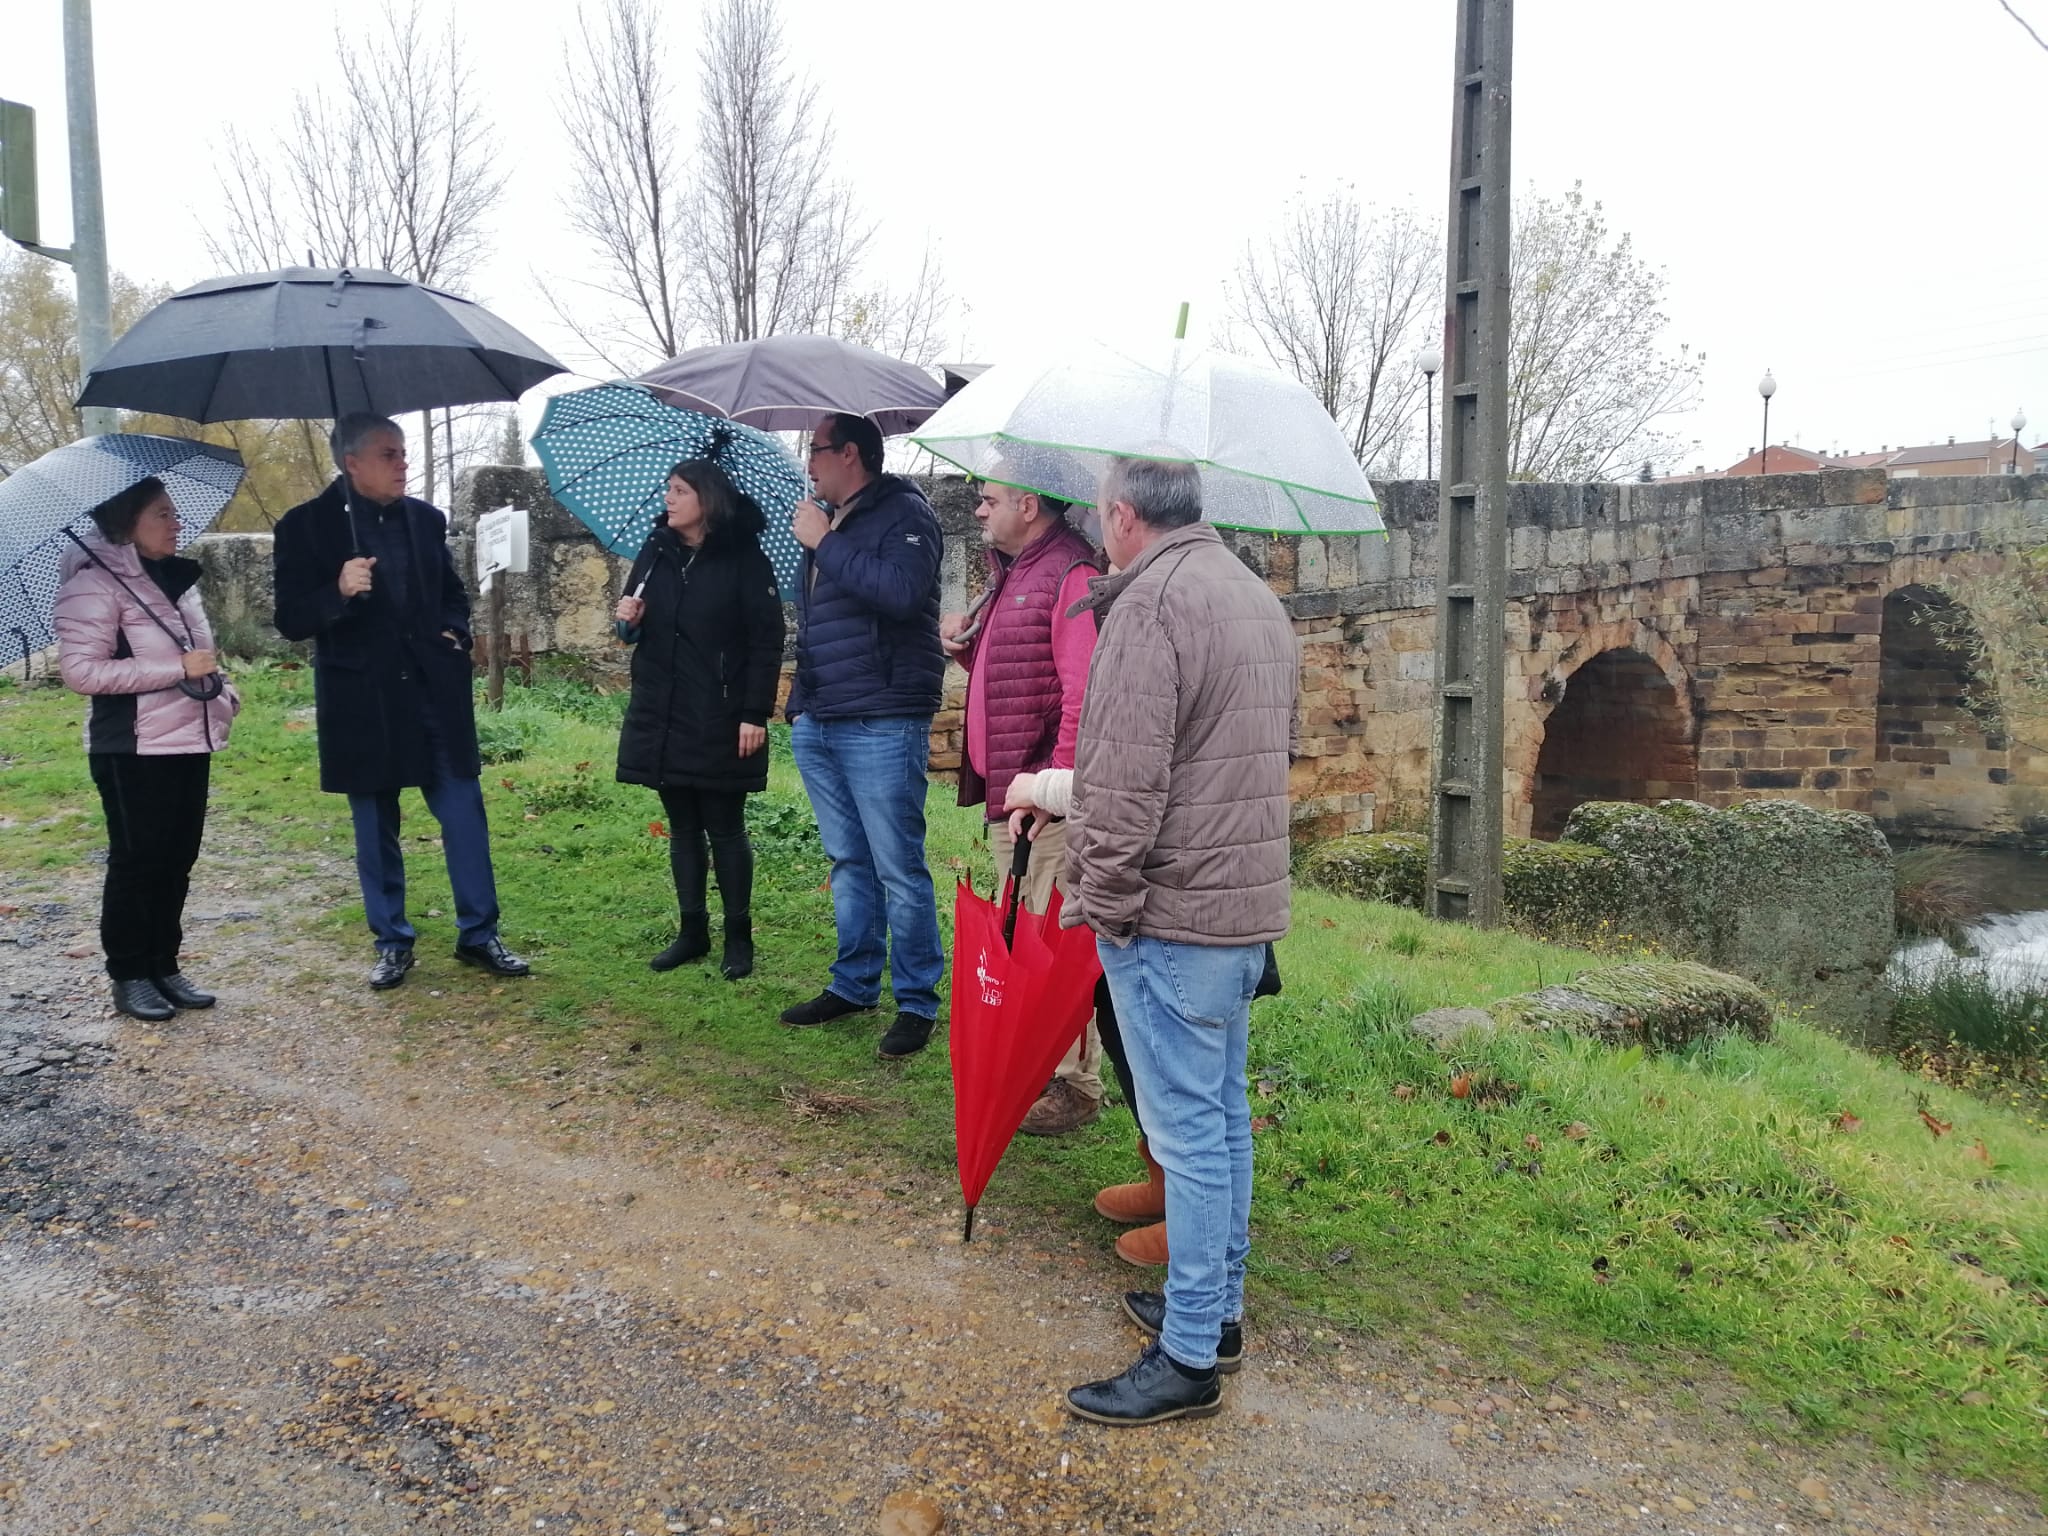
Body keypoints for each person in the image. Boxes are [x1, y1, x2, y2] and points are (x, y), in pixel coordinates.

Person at [1056, 456, 1299, 1427]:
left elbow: (1120, 780)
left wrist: (1103, 904)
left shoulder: (1150, 605)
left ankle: (1189, 1354)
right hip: (1238, 907)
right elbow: (1259, 757)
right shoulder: (1250, 595)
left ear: (1120, 517)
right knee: (1221, 1121)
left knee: (1191, 1136)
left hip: (1172, 913)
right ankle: (1216, 1313)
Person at [272, 414, 530, 991]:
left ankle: (479, 933)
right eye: (389, 454)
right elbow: (290, 618)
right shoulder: (305, 526)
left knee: (464, 810)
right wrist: (336, 591)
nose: (403, 464)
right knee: (375, 821)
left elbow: (451, 593)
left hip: (433, 691)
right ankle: (391, 939)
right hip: (363, 697)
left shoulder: (425, 519)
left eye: (404, 452)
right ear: (352, 462)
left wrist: (454, 633)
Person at [941, 473, 1106, 1134]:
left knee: (1052, 935)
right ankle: (1044, 1065)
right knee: (1027, 931)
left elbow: (1080, 688)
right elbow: (1016, 671)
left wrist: (1053, 787)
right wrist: (966, 650)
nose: (978, 509)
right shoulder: (1017, 571)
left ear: (1028, 506)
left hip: (1042, 800)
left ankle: (1076, 1085)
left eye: (989, 499)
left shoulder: (1067, 573)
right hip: (1016, 792)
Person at [781, 412, 947, 1060]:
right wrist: (801, 704)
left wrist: (825, 543)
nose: (809, 463)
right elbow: (819, 621)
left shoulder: (906, 514)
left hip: (881, 714)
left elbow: (902, 595)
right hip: (823, 715)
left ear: (850, 453)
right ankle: (853, 984)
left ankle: (916, 1001)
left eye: (816, 451)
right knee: (848, 861)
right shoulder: (830, 520)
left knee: (897, 866)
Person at [53, 478, 241, 1021]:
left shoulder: (175, 582)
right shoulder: (94, 584)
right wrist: (175, 669)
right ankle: (129, 972)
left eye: (174, 513)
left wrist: (222, 691)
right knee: (138, 862)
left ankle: (164, 963)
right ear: (127, 522)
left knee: (177, 859)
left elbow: (198, 655)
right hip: (131, 748)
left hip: (188, 738)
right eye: (163, 514)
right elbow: (81, 671)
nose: (176, 523)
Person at [613, 457, 786, 980]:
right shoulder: (656, 551)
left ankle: (739, 936)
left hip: (722, 712)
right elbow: (633, 625)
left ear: (706, 500)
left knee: (725, 827)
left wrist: (754, 712)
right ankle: (692, 930)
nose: (668, 498)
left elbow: (766, 640)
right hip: (663, 709)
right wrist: (627, 625)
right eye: (668, 488)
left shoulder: (745, 559)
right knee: (683, 826)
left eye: (679, 489)